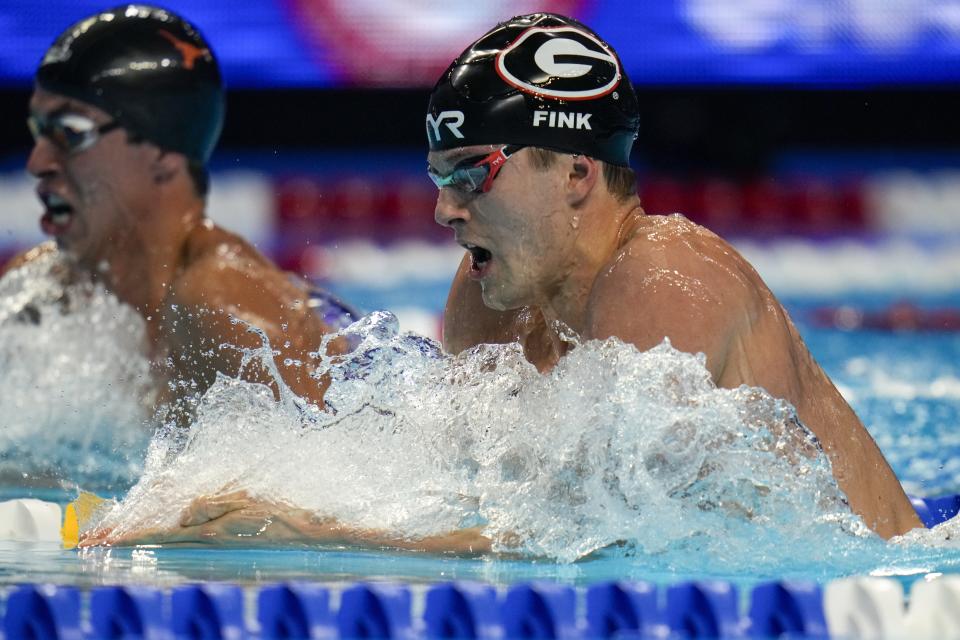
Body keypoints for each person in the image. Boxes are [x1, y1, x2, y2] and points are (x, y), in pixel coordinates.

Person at [84, 12, 920, 550]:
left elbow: (606, 538)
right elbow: (461, 485)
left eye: (472, 174)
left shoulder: (665, 279)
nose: (446, 211)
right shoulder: (489, 298)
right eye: (437, 177)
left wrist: (299, 528)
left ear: (578, 175)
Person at [3, 4, 356, 411]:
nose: (38, 163)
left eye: (69, 133)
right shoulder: (46, 287)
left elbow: (334, 468)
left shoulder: (225, 308)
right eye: (38, 132)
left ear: (163, 151)